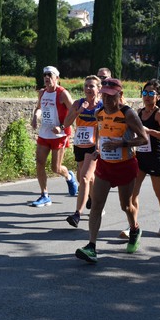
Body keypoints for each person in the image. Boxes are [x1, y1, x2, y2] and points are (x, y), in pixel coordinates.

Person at [75, 78, 148, 263]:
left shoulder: (128, 113)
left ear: (119, 95)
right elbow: (100, 134)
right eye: (104, 95)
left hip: (125, 166)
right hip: (105, 166)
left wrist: (123, 143)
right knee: (96, 206)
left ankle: (135, 229)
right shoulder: (99, 113)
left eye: (110, 96)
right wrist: (97, 150)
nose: (106, 100)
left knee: (126, 206)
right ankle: (91, 246)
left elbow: (144, 139)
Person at [130, 79, 160, 236]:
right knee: (132, 193)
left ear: (158, 97)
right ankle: (133, 226)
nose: (147, 96)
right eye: (145, 93)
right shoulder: (140, 112)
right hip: (141, 158)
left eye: (151, 93)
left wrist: (150, 131)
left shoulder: (159, 114)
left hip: (156, 158)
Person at [30, 66, 78, 207]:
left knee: (55, 168)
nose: (46, 78)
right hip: (45, 133)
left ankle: (69, 176)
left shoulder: (62, 94)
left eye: (50, 75)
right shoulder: (42, 92)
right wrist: (35, 117)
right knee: (39, 163)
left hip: (60, 135)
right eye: (45, 75)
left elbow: (74, 111)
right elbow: (39, 108)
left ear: (57, 78)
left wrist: (62, 126)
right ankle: (44, 195)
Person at [63, 75, 103, 227]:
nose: (88, 89)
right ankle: (93, 200)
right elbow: (67, 123)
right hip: (79, 145)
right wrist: (79, 111)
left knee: (85, 178)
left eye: (92, 86)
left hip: (93, 147)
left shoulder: (102, 107)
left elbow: (103, 128)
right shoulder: (78, 103)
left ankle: (77, 214)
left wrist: (99, 146)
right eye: (86, 86)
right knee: (85, 179)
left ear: (99, 89)